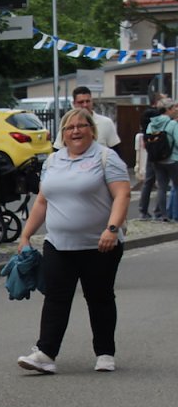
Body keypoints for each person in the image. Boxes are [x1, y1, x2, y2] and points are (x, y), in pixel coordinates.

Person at [17, 108, 130, 374]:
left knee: (99, 297)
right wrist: (25, 235)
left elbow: (122, 195)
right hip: (58, 244)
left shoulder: (106, 157)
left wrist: (112, 229)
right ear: (63, 134)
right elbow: (42, 201)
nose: (75, 131)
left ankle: (105, 353)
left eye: (81, 126)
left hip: (99, 245)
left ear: (92, 130)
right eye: (69, 127)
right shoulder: (53, 161)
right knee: (56, 298)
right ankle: (45, 353)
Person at [52, 86, 121, 153]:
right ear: (74, 104)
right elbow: (58, 149)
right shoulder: (67, 123)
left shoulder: (106, 123)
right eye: (81, 102)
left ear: (92, 102)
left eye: (88, 101)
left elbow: (116, 150)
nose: (85, 105)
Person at [146, 98, 178, 223]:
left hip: (157, 160)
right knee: (176, 186)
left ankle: (162, 215)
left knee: (161, 187)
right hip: (173, 159)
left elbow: (147, 140)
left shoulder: (151, 124)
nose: (175, 110)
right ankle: (175, 215)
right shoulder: (172, 124)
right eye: (173, 108)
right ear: (168, 110)